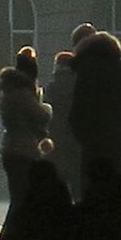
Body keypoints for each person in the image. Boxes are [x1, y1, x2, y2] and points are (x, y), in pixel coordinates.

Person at [69, 30, 121, 175]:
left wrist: (79, 133)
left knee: (91, 178)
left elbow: (79, 103)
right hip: (116, 133)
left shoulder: (85, 68)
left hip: (91, 135)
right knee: (114, 177)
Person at [0, 57, 52, 211]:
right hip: (25, 150)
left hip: (10, 148)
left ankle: (12, 225)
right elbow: (42, 116)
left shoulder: (8, 93)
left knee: (17, 196)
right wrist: (46, 108)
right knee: (24, 197)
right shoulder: (23, 95)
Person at [44, 50, 81, 197]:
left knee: (58, 178)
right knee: (77, 179)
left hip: (56, 136)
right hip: (77, 136)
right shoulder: (81, 86)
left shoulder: (51, 87)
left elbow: (46, 112)